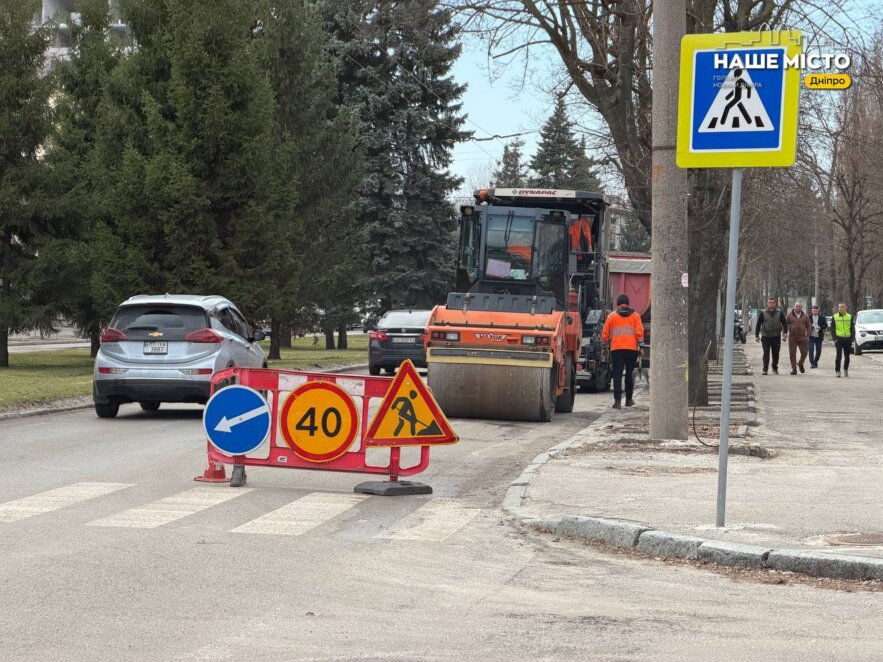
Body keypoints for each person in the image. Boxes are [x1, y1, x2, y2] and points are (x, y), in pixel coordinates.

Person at [601, 294, 645, 409]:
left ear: (618, 303)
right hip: (631, 349)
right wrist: (641, 346)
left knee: (617, 374)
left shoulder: (612, 316)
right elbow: (639, 332)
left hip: (617, 349)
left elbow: (605, 333)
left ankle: (617, 402)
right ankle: (629, 400)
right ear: (628, 303)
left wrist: (604, 346)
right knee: (629, 374)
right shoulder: (635, 316)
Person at [754, 297, 788, 375]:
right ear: (767, 303)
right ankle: (765, 369)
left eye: (773, 302)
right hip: (766, 336)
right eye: (770, 302)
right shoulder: (763, 312)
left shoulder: (779, 312)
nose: (771, 304)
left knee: (776, 353)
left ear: (775, 303)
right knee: (766, 353)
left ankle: (774, 368)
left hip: (776, 336)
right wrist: (756, 335)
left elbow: (784, 323)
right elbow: (758, 324)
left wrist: (785, 332)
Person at [786, 301, 811, 374]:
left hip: (802, 337)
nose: (798, 307)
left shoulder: (805, 316)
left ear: (801, 307)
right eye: (796, 306)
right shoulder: (789, 315)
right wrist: (784, 333)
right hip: (792, 337)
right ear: (794, 307)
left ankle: (800, 363)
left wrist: (807, 336)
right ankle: (794, 369)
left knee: (804, 353)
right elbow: (785, 325)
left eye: (799, 306)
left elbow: (809, 326)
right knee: (792, 354)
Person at [831, 302, 855, 378]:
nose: (840, 308)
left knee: (847, 356)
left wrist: (852, 338)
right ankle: (837, 371)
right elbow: (832, 329)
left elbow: (852, 329)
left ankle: (845, 370)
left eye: (842, 307)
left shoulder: (850, 317)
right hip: (839, 339)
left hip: (847, 339)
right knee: (838, 356)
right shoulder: (835, 317)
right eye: (839, 307)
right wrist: (834, 339)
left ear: (846, 308)